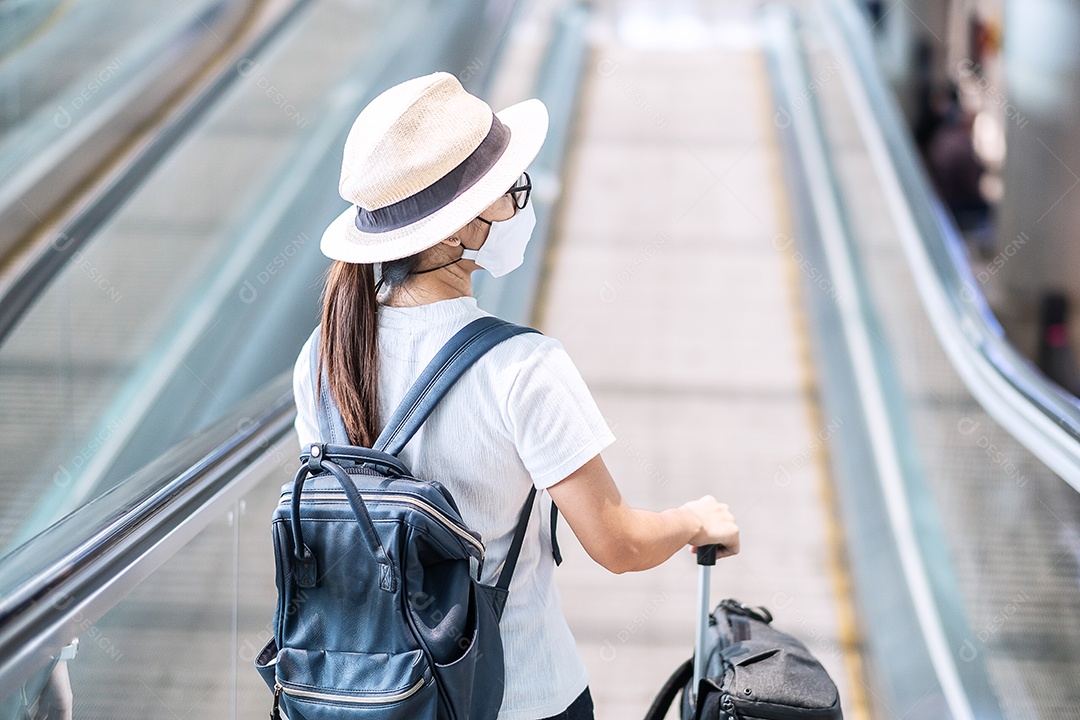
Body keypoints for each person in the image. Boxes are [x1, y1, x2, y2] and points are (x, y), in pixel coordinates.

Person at [292, 72, 740, 720]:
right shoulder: (522, 367)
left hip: (373, 698)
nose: (520, 203)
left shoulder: (323, 355)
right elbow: (617, 543)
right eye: (509, 192)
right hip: (519, 696)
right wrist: (693, 522)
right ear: (455, 231)